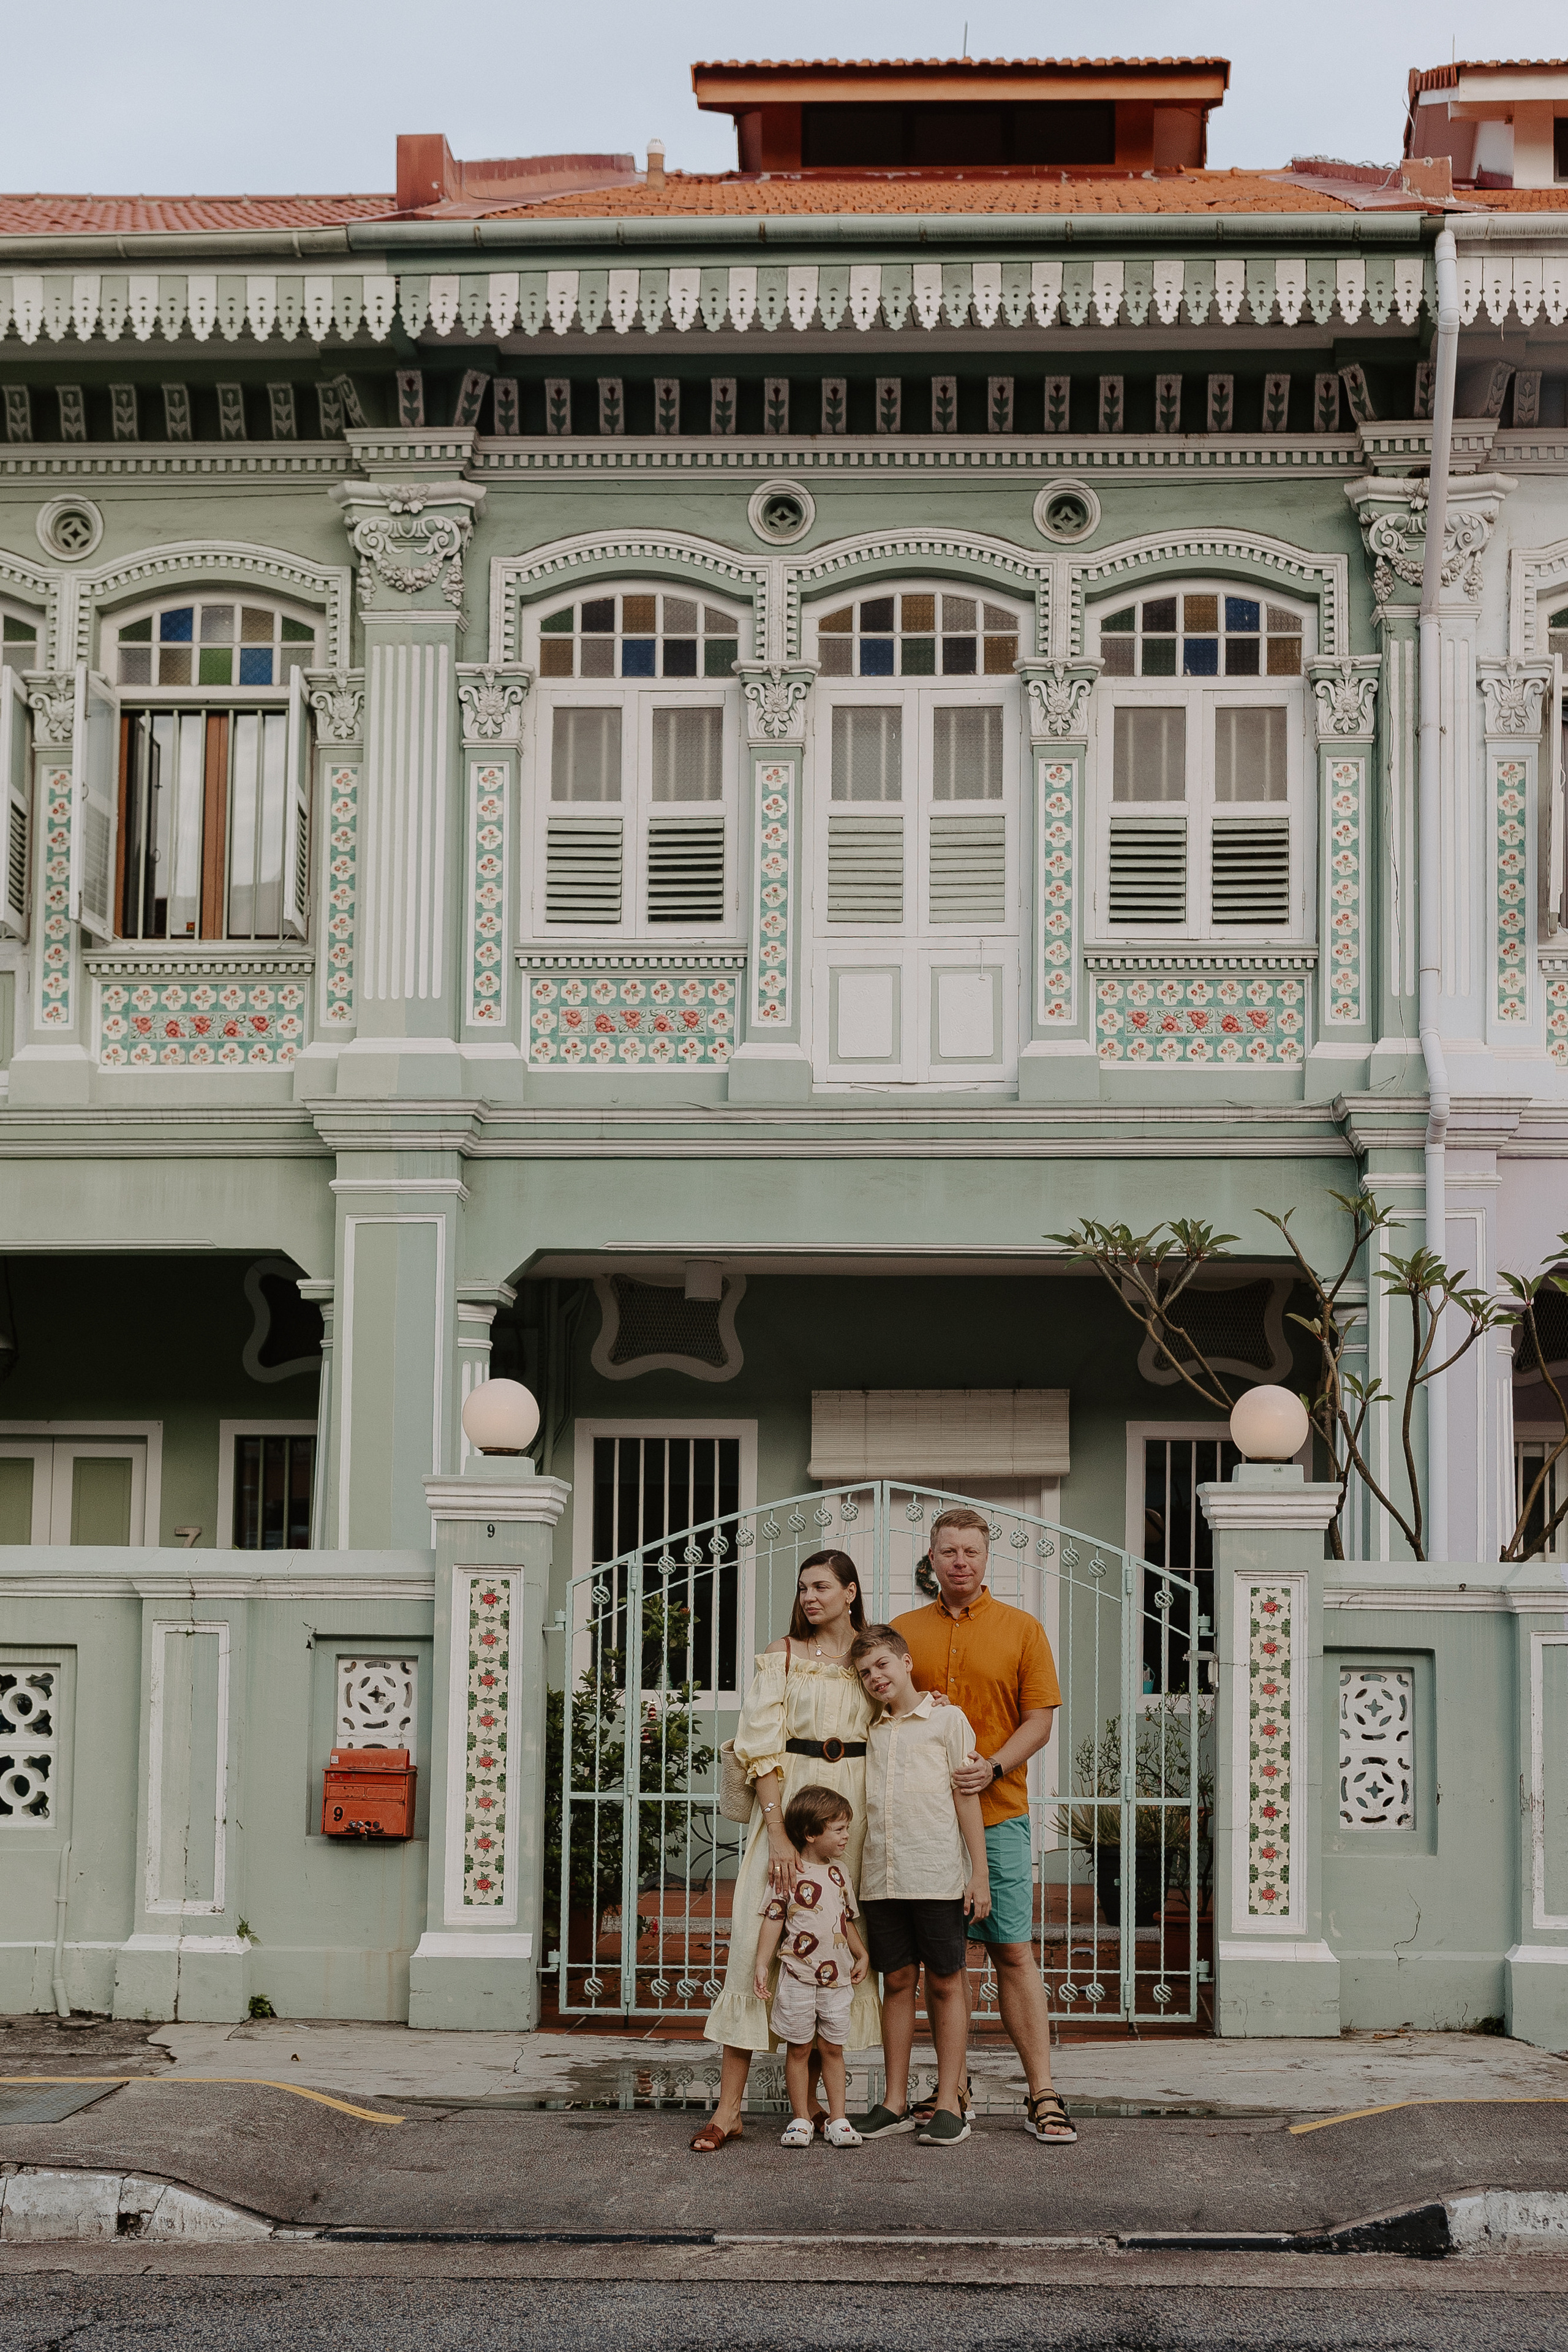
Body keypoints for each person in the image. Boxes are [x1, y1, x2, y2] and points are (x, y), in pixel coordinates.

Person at [894, 1506, 1077, 2146]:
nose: (960, 1562)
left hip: (998, 1815)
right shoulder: (903, 1633)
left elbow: (1039, 1720)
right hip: (922, 1823)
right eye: (949, 1551)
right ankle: (955, 2089)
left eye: (970, 1552)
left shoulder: (1022, 1630)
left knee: (1012, 1950)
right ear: (932, 1557)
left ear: (986, 1557)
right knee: (942, 1961)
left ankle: (1042, 2091)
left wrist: (994, 1765)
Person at [691, 1550, 881, 2151]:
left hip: (850, 1814)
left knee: (831, 1940)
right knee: (758, 1936)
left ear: (850, 1592)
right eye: (803, 1588)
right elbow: (759, 1744)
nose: (809, 1598)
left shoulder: (869, 1657)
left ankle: (818, 2105)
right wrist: (776, 1833)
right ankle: (729, 2109)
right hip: (788, 1802)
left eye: (821, 1587)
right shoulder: (784, 1656)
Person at [848, 1623, 990, 2146]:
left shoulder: (947, 1720)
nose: (875, 1677)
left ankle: (950, 2101)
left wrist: (979, 1873)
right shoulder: (869, 1728)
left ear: (907, 1662)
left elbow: (966, 1797)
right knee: (898, 1982)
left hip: (935, 1874)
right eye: (865, 1672)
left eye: (883, 1664)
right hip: (882, 1878)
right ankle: (894, 2103)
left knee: (947, 1982)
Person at [752, 1784, 869, 2148]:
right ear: (811, 1833)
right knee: (799, 2049)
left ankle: (839, 2119)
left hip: (837, 1981)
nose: (846, 1836)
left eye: (847, 1828)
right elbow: (773, 1918)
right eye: (839, 1829)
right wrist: (761, 1963)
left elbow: (845, 1921)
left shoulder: (840, 1873)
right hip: (798, 1978)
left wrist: (862, 1954)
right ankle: (801, 2118)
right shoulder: (789, 1872)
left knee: (833, 2049)